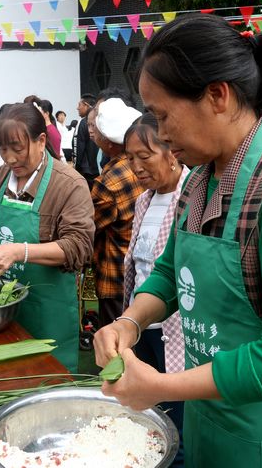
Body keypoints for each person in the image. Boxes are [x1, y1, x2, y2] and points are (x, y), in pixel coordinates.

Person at [94, 14, 262, 467]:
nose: (160, 133)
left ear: (217, 96)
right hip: (212, 428)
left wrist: (161, 387)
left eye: (164, 115)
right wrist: (129, 322)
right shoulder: (200, 177)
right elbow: (169, 271)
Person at [0, 103, 95, 372]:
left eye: (17, 149)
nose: (9, 158)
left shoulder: (69, 184)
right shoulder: (0, 178)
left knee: (46, 389)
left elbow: (79, 246)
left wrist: (21, 252)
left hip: (48, 315)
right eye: (3, 149)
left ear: (41, 140)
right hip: (0, 310)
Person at [122, 116, 190, 466]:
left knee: (177, 417)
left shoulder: (191, 197)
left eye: (144, 156)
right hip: (142, 324)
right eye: (130, 158)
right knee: (144, 411)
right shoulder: (144, 201)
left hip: (175, 330)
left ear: (171, 151)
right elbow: (140, 266)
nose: (136, 167)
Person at [89, 98, 144, 327]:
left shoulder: (109, 182)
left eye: (96, 129)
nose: (92, 133)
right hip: (140, 269)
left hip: (116, 274)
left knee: (116, 341)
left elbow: (89, 225)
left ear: (109, 143)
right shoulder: (139, 165)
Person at [72, 94, 99, 189]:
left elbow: (77, 147)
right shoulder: (99, 119)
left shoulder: (82, 122)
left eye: (79, 105)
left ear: (86, 105)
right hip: (99, 169)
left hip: (86, 172)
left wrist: (76, 168)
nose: (77, 108)